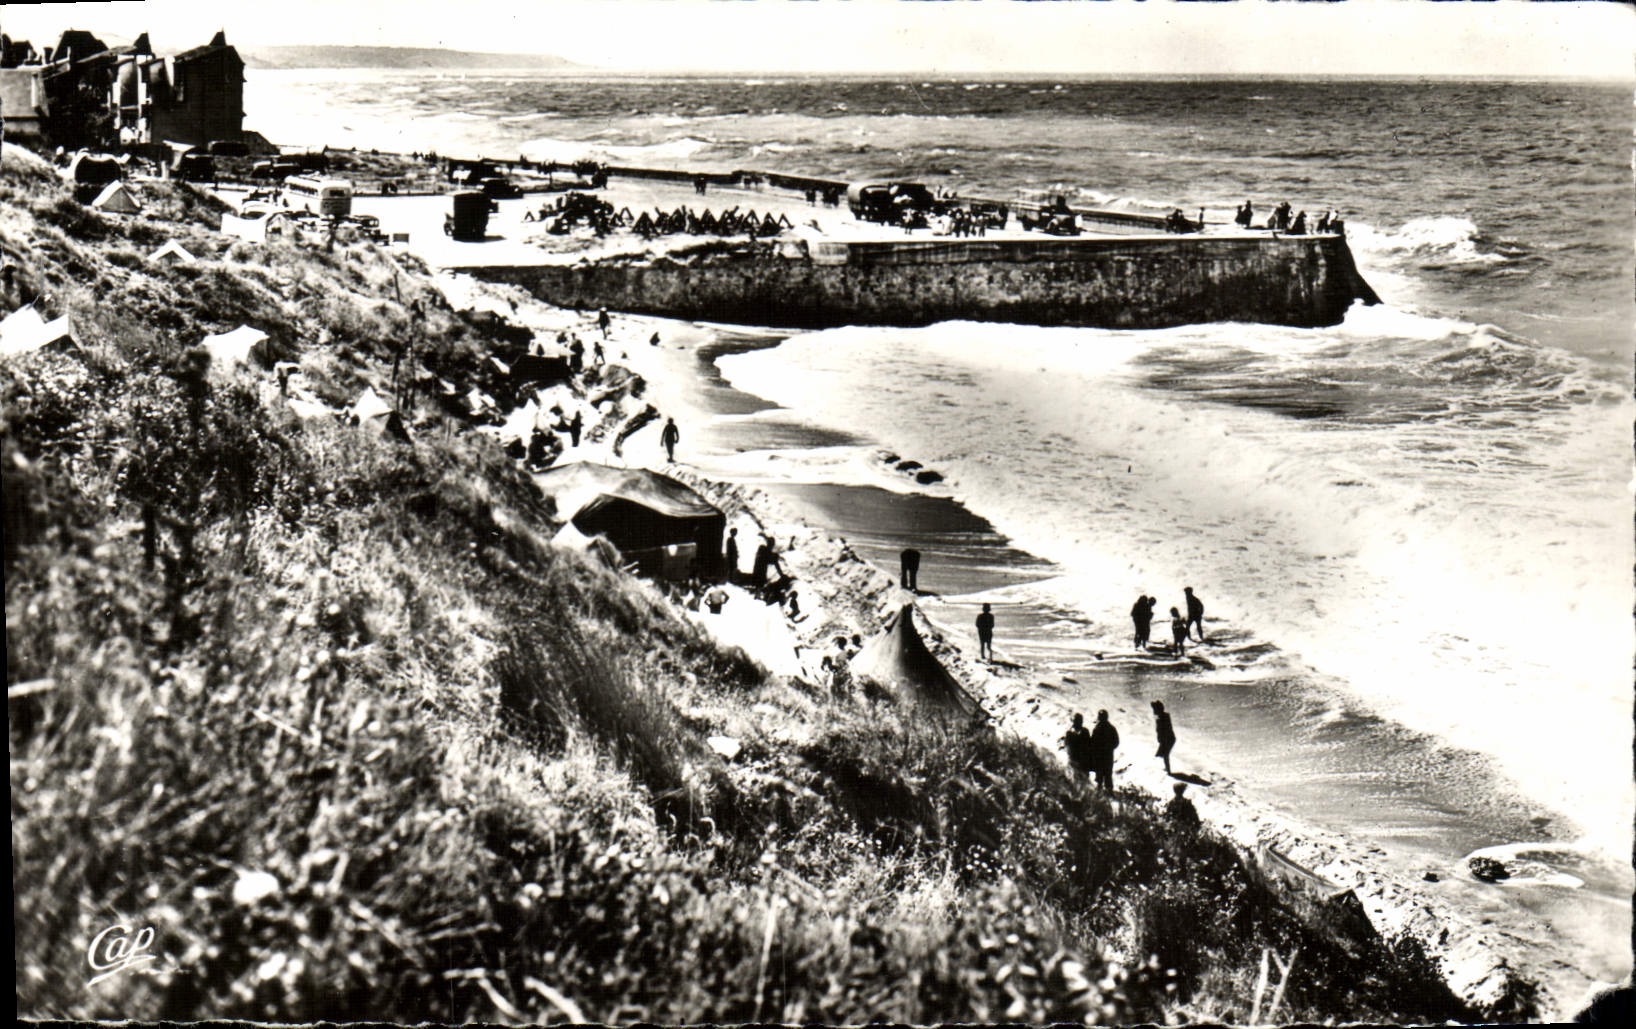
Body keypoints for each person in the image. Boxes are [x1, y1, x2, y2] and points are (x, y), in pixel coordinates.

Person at [1089, 710, 1119, 793]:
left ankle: (1103, 790)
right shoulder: (1110, 728)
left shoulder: (1098, 728)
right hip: (1105, 756)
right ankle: (1106, 791)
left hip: (1103, 755)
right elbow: (1116, 742)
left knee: (1104, 773)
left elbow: (1116, 742)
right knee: (1105, 773)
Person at [1063, 713, 1094, 781]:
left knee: (1084, 779)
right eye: (1076, 721)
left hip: (1083, 761)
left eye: (1079, 721)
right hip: (1074, 760)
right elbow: (1067, 746)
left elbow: (1089, 745)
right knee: (1074, 779)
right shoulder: (1070, 733)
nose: (1078, 723)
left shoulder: (1085, 731)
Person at [1152, 699, 1177, 775]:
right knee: (1165, 754)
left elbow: (1161, 730)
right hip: (1169, 738)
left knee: (1165, 754)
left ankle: (1168, 771)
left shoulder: (1160, 719)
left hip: (1167, 739)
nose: (1154, 712)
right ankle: (1167, 769)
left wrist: (1160, 739)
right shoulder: (1164, 716)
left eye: (1154, 710)